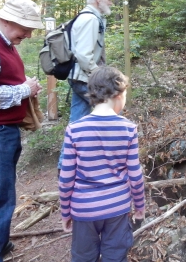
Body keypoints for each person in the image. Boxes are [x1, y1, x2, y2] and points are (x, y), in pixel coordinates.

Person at [59, 66, 145, 261]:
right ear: (119, 94)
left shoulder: (75, 129)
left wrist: (66, 212)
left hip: (83, 208)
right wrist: (140, 205)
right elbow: (135, 175)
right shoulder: (128, 129)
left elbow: (66, 179)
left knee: (83, 256)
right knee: (115, 255)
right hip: (117, 207)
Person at [0, 0, 44, 261]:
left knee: (0, 192)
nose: (28, 34)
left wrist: (25, 86)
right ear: (9, 20)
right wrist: (25, 89)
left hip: (3, 130)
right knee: (0, 197)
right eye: (26, 27)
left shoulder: (5, 42)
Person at [57, 0, 119, 171]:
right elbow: (84, 55)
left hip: (80, 78)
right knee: (113, 113)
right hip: (86, 79)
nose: (111, 1)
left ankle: (65, 166)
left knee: (76, 122)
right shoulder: (90, 19)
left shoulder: (89, 17)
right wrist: (99, 75)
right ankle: (112, 163)